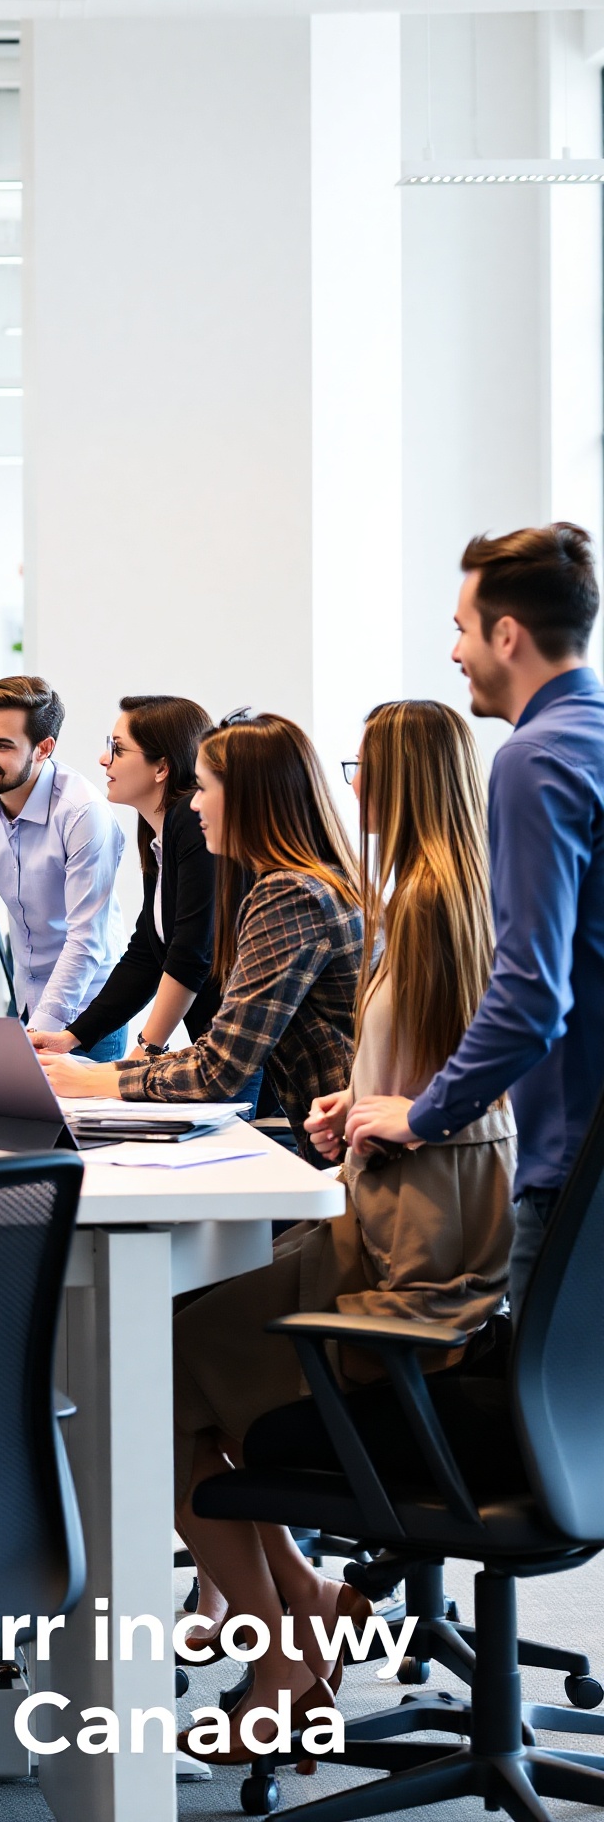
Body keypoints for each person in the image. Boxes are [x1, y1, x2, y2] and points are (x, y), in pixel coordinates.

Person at [161, 699, 515, 1761]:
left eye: (365, 766)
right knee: (171, 1349)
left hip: (399, 1260)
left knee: (146, 1370)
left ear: (400, 780)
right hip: (418, 1213)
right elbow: (445, 1073)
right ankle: (301, 1605)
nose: (349, 783)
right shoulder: (442, 896)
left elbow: (451, 1082)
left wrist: (387, 1111)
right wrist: (363, 1106)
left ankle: (277, 1652)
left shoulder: (418, 906)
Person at [344, 523, 604, 1308]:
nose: (456, 653)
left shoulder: (534, 758)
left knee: (545, 1425)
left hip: (572, 1173)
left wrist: (424, 1116)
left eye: (461, 630)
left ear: (506, 633)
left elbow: (531, 996)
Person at [40, 711, 361, 1135]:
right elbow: (211, 1043)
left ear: (246, 798)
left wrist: (95, 1078)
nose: (192, 803)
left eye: (205, 788)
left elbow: (218, 1068)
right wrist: (107, 1062)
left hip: (346, 1145)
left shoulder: (289, 896)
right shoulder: (313, 880)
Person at [0, 676, 127, 1050]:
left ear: (43, 748)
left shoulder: (82, 814)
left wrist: (38, 1035)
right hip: (27, 995)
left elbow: (85, 940)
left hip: (87, 1012)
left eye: (1, 745)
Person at [29, 694, 217, 1063]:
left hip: (254, 1058)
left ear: (161, 767)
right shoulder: (158, 833)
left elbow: (192, 956)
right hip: (220, 1046)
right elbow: (147, 954)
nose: (103, 760)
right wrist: (72, 1036)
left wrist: (144, 1051)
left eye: (117, 749)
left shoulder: (190, 822)